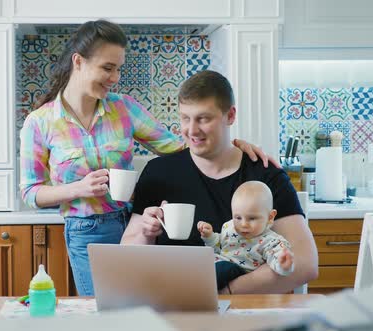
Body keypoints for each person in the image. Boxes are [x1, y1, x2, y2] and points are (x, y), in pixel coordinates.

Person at [20, 20, 273, 296]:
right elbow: (31, 192)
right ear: (78, 62)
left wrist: (231, 143)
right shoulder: (40, 122)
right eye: (107, 68)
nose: (115, 77)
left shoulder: (123, 108)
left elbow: (180, 147)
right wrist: (78, 189)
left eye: (118, 68)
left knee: (141, 304)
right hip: (86, 232)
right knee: (105, 309)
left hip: (136, 224)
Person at [121, 70, 318, 294]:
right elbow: (126, 256)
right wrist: (145, 234)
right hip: (173, 305)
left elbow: (305, 263)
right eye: (185, 118)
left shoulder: (265, 174)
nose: (192, 130)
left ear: (230, 115)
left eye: (203, 119)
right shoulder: (158, 172)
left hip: (247, 311)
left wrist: (226, 293)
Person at [197, 181, 294, 292]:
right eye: (238, 218)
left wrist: (284, 265)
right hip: (214, 267)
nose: (243, 224)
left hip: (240, 274)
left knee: (222, 268)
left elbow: (276, 259)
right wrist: (209, 236)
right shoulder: (229, 227)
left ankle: (198, 291)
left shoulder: (270, 241)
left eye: (252, 218)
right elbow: (218, 247)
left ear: (270, 217)